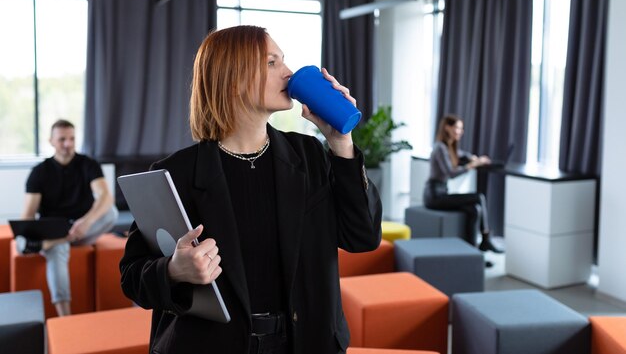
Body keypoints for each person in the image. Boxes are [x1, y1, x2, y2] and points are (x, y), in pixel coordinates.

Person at [119, 25, 382, 354]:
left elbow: (364, 238)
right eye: (272, 63)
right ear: (233, 78)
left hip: (307, 343)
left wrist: (341, 142)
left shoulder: (312, 156)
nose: (288, 72)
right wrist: (173, 270)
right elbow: (132, 277)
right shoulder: (174, 174)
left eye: (283, 61)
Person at [18, 119, 119, 316]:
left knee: (112, 213)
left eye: (72, 139)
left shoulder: (88, 164)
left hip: (84, 230)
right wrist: (23, 233)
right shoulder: (39, 172)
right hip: (53, 229)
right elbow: (28, 215)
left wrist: (87, 221)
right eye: (62, 139)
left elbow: (106, 197)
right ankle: (66, 318)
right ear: (51, 141)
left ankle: (50, 243)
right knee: (26, 244)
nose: (68, 144)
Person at [423, 114, 503, 254]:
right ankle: (485, 238)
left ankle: (472, 253)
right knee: (479, 197)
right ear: (447, 127)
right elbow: (451, 173)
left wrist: (475, 158)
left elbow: (462, 154)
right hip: (434, 195)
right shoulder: (440, 148)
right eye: (458, 128)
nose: (461, 131)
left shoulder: (449, 148)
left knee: (474, 209)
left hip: (442, 192)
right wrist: (472, 165)